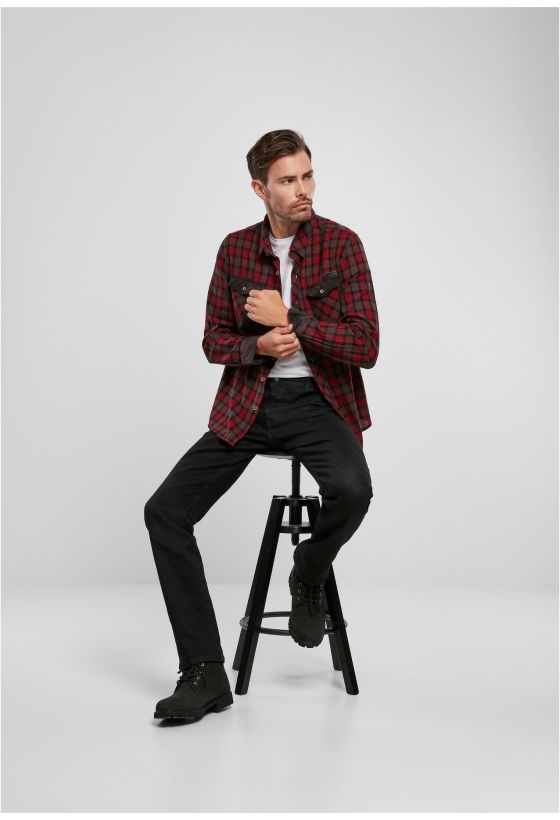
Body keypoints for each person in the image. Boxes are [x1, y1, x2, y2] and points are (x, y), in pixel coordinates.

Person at [144, 129, 380, 721]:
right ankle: (204, 673)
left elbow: (366, 345)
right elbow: (213, 341)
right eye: (287, 181)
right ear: (259, 189)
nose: (303, 190)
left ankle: (308, 571)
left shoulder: (342, 244)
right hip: (248, 405)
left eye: (308, 176)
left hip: (320, 404)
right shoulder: (235, 250)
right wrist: (260, 347)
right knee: (165, 511)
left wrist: (292, 318)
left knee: (353, 490)